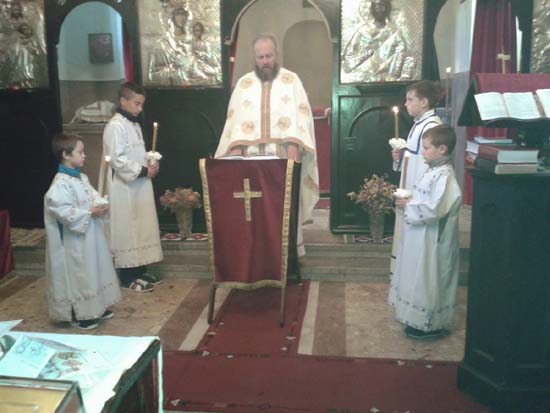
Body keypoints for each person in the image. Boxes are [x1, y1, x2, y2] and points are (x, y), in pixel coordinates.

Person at [214, 34, 319, 257]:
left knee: (282, 206)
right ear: (254, 57)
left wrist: (294, 143)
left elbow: (301, 115)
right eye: (260, 57)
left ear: (276, 54)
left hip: (282, 157)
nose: (265, 61)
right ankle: (258, 255)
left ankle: (287, 255)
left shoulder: (291, 80)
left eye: (269, 56)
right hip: (250, 160)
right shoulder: (244, 83)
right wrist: (235, 149)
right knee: (255, 210)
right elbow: (234, 120)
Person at [388, 124, 462, 340]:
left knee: (428, 278)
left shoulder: (445, 176)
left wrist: (408, 205)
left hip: (433, 241)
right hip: (421, 237)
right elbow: (425, 198)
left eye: (427, 148)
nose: (423, 152)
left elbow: (436, 208)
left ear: (442, 149)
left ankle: (429, 324)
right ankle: (415, 319)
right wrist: (410, 198)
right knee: (417, 277)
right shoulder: (433, 171)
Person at [44, 132, 121, 330]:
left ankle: (97, 306)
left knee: (94, 269)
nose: (84, 155)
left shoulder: (81, 178)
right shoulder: (60, 184)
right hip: (73, 243)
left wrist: (101, 204)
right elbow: (61, 210)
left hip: (90, 236)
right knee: (80, 274)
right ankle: (81, 313)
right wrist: (89, 212)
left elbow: (92, 196)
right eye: (80, 152)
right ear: (65, 154)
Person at [101, 82, 163, 292]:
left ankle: (140, 269)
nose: (140, 108)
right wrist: (143, 171)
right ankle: (127, 276)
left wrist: (150, 162)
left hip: (139, 185)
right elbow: (117, 159)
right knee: (128, 228)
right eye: (136, 103)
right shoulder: (115, 126)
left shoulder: (133, 125)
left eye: (141, 104)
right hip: (124, 188)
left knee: (141, 226)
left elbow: (136, 153)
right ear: (123, 101)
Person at [389, 80, 442, 278]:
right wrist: (401, 156)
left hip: (418, 198)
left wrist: (413, 199)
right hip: (410, 192)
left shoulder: (431, 127)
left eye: (410, 99)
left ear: (425, 102)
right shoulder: (419, 124)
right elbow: (414, 158)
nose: (406, 104)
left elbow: (428, 166)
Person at [342, 0, 415, 83]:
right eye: (376, 6)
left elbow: (401, 52)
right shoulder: (363, 30)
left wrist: (388, 68)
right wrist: (365, 56)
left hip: (387, 76)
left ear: (387, 9)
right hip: (365, 74)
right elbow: (349, 56)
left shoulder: (394, 31)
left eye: (382, 5)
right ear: (372, 9)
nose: (379, 9)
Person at [147, 6, 194, 86]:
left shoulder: (192, 41)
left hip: (192, 89)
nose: (181, 17)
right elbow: (152, 76)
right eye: (178, 14)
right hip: (169, 89)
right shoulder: (161, 44)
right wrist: (173, 66)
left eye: (184, 14)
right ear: (172, 16)